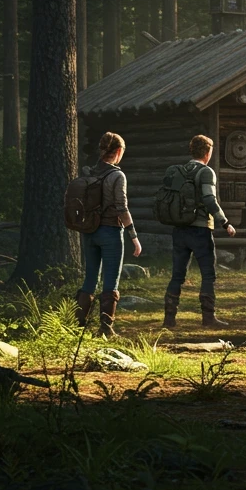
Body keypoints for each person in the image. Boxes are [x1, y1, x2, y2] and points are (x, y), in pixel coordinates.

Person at [163, 134, 237, 330]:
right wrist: (225, 223)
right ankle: (208, 318)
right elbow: (209, 200)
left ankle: (169, 319)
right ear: (207, 152)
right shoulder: (206, 172)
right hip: (200, 229)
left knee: (177, 275)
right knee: (208, 275)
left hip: (179, 229)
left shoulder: (180, 170)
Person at [75, 131, 142, 338]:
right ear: (119, 151)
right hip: (110, 232)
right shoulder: (117, 175)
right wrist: (134, 236)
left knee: (90, 279)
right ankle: (105, 329)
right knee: (111, 281)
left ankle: (76, 326)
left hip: (89, 232)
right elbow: (122, 207)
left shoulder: (88, 172)